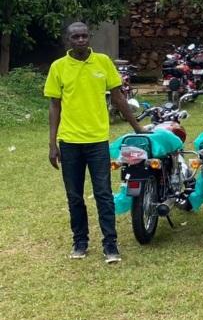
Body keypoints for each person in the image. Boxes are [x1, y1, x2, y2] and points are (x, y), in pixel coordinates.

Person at [44, 21, 144, 263]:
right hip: (69, 142)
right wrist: (52, 144)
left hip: (98, 141)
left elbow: (119, 99)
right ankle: (80, 242)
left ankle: (110, 245)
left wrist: (138, 128)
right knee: (74, 195)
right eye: (75, 37)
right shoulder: (58, 67)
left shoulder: (103, 62)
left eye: (84, 36)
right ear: (68, 40)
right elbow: (54, 106)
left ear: (89, 38)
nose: (80, 40)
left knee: (103, 194)